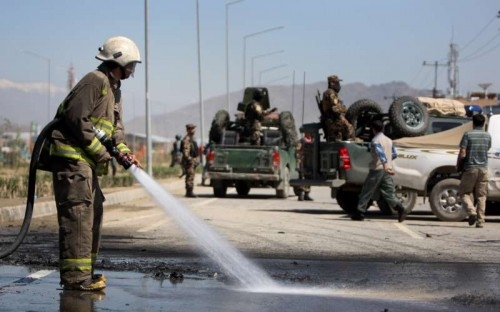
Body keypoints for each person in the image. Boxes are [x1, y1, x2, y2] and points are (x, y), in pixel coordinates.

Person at [48, 36, 142, 291]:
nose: (132, 72)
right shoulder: (96, 80)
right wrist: (101, 152)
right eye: (130, 65)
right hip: (72, 161)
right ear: (118, 60)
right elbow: (75, 117)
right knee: (78, 216)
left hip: (85, 163)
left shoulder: (115, 90)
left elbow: (115, 132)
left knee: (94, 212)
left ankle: (84, 272)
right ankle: (76, 279)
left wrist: (124, 153)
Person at [350, 120, 406, 222]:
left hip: (377, 169)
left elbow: (381, 154)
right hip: (386, 170)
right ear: (383, 129)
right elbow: (394, 154)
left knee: (366, 191)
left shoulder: (375, 140)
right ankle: (400, 208)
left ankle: (360, 213)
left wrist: (384, 164)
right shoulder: (389, 140)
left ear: (373, 129)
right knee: (389, 192)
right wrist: (388, 165)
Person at [457, 113, 491, 228]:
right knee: (481, 196)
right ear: (483, 123)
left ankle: (471, 212)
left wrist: (459, 165)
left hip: (470, 168)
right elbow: (488, 148)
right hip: (484, 169)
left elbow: (462, 152)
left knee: (464, 192)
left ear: (473, 122)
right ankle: (480, 221)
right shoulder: (487, 136)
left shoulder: (468, 134)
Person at [320, 75, 354, 142]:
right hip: (333, 120)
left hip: (332, 120)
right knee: (351, 129)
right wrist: (346, 122)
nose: (339, 85)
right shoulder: (331, 93)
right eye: (337, 83)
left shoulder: (329, 92)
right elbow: (336, 109)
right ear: (332, 83)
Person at [181, 123, 199, 197]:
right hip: (189, 161)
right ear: (188, 130)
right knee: (190, 176)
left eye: (194, 128)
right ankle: (189, 192)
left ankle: (190, 191)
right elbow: (186, 151)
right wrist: (189, 159)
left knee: (191, 175)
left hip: (192, 160)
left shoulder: (191, 138)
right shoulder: (187, 139)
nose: (194, 130)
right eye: (192, 129)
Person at [296, 133, 313, 201]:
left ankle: (307, 194)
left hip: (310, 161)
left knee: (309, 176)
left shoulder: (312, 141)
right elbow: (297, 150)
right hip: (303, 161)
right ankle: (301, 194)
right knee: (302, 177)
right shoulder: (302, 141)